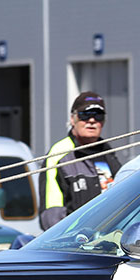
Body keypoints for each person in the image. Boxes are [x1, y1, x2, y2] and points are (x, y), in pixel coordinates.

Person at [39, 91, 122, 230]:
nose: (92, 120)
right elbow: (51, 215)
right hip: (74, 239)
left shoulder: (107, 153)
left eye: (98, 115)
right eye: (85, 115)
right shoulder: (59, 154)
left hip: (110, 236)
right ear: (73, 119)